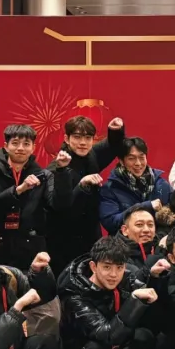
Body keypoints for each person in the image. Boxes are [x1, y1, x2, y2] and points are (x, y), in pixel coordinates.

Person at [0, 123, 73, 349]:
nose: (21, 148)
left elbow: (60, 205)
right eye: (16, 143)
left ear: (33, 147)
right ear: (6, 145)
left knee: (46, 312)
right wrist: (17, 191)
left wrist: (62, 171)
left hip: (32, 251)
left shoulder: (42, 173)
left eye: (27, 143)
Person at [45, 114, 126, 270]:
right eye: (77, 137)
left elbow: (112, 146)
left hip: (90, 236)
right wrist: (81, 185)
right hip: (62, 241)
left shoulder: (91, 155)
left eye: (88, 138)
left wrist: (115, 130)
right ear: (66, 139)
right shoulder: (55, 168)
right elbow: (60, 207)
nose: (83, 142)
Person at [99, 137, 173, 235]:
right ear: (121, 161)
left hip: (157, 241)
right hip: (124, 243)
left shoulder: (161, 185)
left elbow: (174, 215)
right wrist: (145, 207)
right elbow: (110, 223)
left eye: (142, 158)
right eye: (131, 158)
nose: (138, 163)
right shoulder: (110, 188)